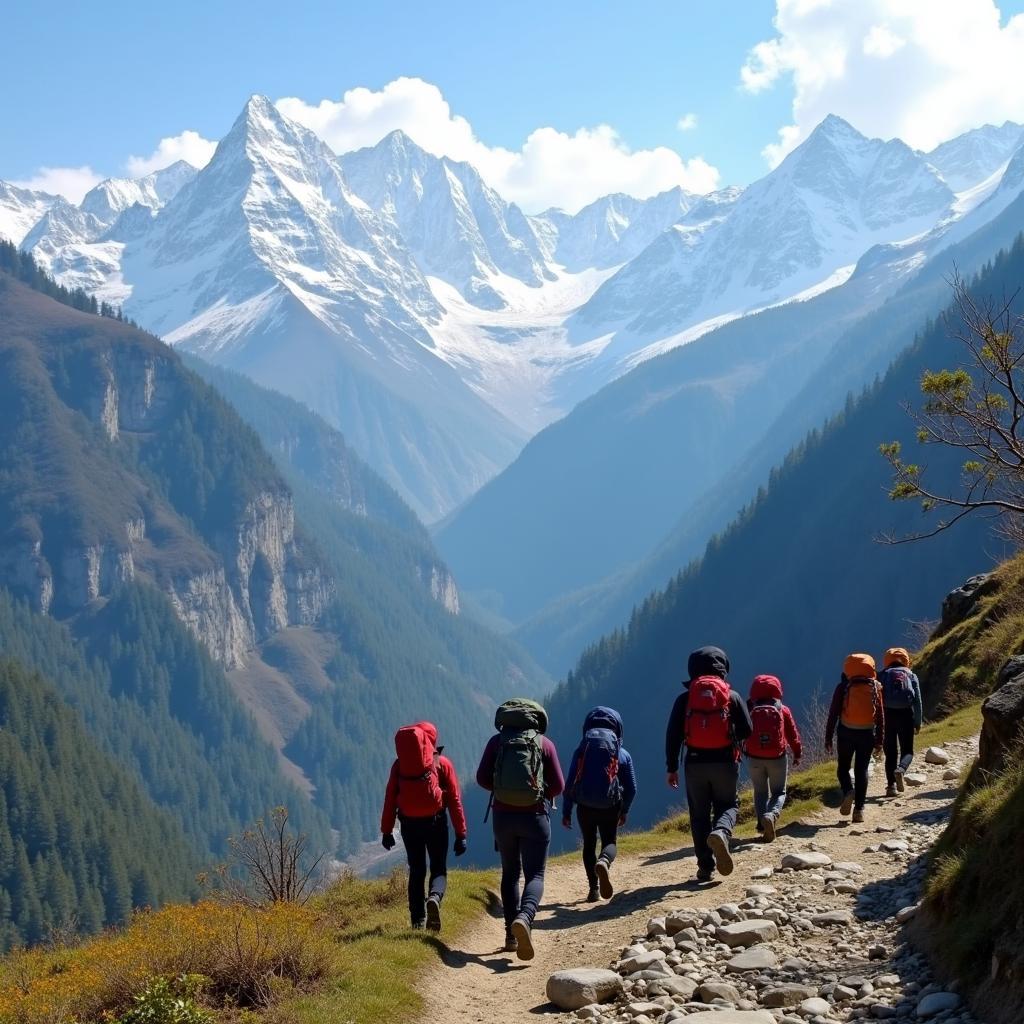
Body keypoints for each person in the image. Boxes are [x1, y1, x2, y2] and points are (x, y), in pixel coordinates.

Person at [477, 698, 564, 961]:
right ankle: (525, 918)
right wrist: (538, 794)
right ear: (537, 720)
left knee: (510, 874)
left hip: (502, 817)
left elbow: (481, 778)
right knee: (535, 874)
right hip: (535, 817)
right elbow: (559, 785)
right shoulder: (544, 744)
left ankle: (510, 936)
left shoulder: (496, 742)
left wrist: (503, 792)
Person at [665, 646, 752, 883]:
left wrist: (671, 767)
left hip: (694, 763)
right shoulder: (731, 696)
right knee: (729, 804)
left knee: (699, 815)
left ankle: (705, 867)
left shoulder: (684, 700)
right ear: (723, 668)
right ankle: (722, 832)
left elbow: (672, 735)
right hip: (725, 760)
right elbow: (748, 729)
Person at [380, 721, 467, 932]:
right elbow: (454, 799)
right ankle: (435, 898)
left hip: (409, 825)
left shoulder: (399, 766)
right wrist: (460, 833)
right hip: (435, 822)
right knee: (438, 867)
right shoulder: (442, 764)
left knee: (417, 870)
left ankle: (417, 921)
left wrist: (387, 830)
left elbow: (390, 797)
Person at [561, 706, 638, 901]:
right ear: (618, 729)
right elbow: (632, 788)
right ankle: (604, 861)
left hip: (585, 806)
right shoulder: (623, 754)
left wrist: (567, 811)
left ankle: (593, 889)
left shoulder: (581, 751)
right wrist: (624, 810)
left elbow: (570, 783)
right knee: (609, 842)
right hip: (610, 806)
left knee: (589, 844)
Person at [825, 653, 885, 823]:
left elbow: (833, 714)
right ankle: (859, 810)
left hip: (846, 733)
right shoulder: (875, 687)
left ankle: (847, 791)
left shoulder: (843, 687)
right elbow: (880, 716)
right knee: (862, 770)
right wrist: (879, 740)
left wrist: (828, 738)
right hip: (867, 734)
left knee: (843, 768)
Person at [743, 674, 802, 842]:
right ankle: (772, 815)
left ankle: (762, 825)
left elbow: (739, 732)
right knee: (779, 792)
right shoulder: (782, 709)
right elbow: (792, 734)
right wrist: (797, 753)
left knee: (760, 792)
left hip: (754, 758)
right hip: (777, 757)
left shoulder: (748, 709)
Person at [878, 647, 923, 795]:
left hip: (887, 716)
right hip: (906, 714)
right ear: (906, 661)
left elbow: (875, 700)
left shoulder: (882, 675)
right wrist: (917, 722)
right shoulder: (911, 675)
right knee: (907, 750)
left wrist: (876, 725)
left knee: (890, 753)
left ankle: (891, 787)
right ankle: (901, 769)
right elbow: (917, 701)